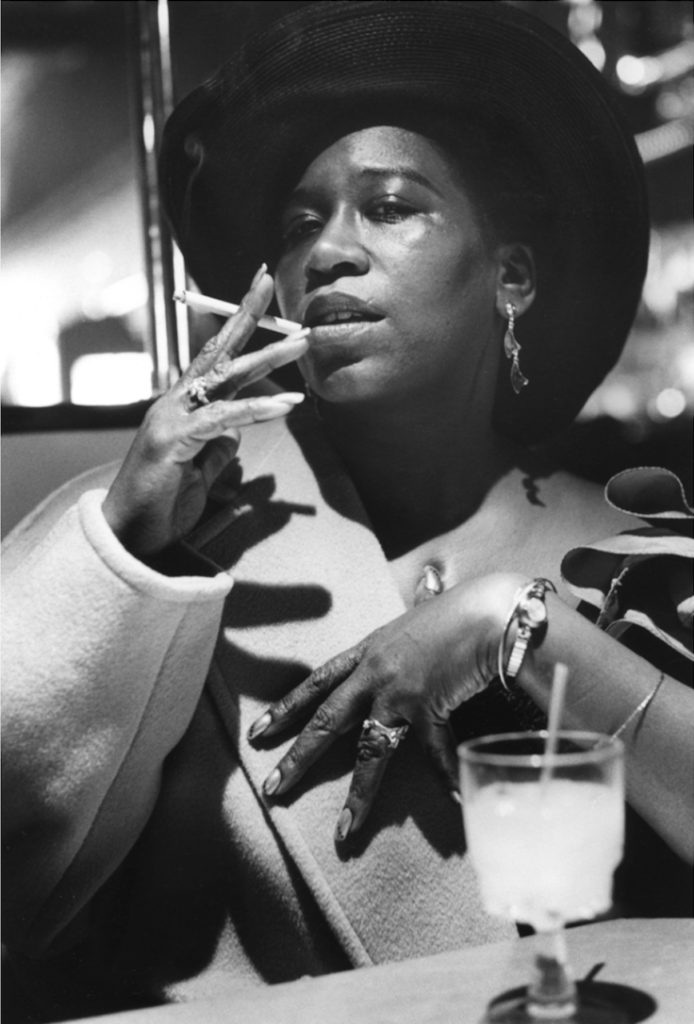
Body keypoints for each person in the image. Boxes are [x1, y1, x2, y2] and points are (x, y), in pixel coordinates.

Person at [2, 2, 692, 1020]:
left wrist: (518, 628)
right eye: (299, 225)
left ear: (509, 277)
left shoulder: (639, 554)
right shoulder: (159, 535)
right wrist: (127, 548)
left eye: (390, 206)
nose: (328, 250)